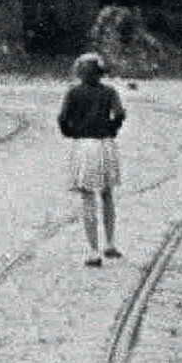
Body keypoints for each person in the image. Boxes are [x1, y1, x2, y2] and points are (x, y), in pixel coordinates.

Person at [58, 49, 126, 263]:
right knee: (107, 194)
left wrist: (70, 132)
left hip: (84, 145)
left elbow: (62, 118)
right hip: (106, 144)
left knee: (87, 196)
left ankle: (93, 250)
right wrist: (112, 128)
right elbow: (120, 114)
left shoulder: (73, 93)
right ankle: (110, 243)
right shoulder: (109, 92)